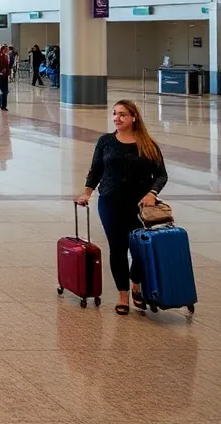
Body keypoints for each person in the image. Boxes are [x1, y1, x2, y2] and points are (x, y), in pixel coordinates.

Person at [76, 100, 168, 315]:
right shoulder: (106, 141)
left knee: (141, 248)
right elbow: (96, 169)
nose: (117, 118)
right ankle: (123, 296)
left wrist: (152, 193)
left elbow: (161, 175)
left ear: (134, 117)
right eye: (115, 114)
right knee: (118, 248)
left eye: (122, 114)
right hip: (110, 202)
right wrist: (87, 193)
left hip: (139, 205)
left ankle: (136, 284)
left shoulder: (148, 144)